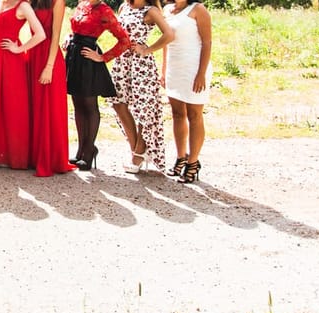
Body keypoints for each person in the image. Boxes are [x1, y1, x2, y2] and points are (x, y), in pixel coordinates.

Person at [94, 0, 174, 174]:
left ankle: (137, 155)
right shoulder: (124, 7)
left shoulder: (151, 11)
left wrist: (148, 49)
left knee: (143, 108)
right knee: (117, 102)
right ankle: (136, 149)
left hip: (141, 64)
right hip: (122, 61)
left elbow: (169, 34)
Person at [67, 0, 131, 171]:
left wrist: (103, 57)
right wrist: (69, 38)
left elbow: (124, 40)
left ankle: (89, 151)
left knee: (89, 105)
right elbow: (76, 28)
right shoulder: (82, 4)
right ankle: (81, 150)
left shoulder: (104, 10)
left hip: (89, 60)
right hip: (74, 56)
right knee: (77, 104)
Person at [0, 0, 45, 170]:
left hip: (11, 58)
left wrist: (19, 49)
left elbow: (40, 34)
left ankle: (15, 155)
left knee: (12, 103)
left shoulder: (23, 6)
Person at [163, 0, 211, 183]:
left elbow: (207, 43)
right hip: (174, 68)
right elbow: (166, 41)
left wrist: (201, 73)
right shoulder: (168, 9)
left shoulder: (198, 9)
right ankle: (181, 156)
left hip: (193, 68)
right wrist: (164, 69)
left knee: (194, 114)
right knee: (177, 114)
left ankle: (193, 162)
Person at [26, 0, 75, 177]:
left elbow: (55, 35)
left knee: (49, 109)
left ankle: (51, 159)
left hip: (49, 56)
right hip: (32, 55)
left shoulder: (57, 1)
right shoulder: (30, 1)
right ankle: (33, 156)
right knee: (34, 107)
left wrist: (49, 66)